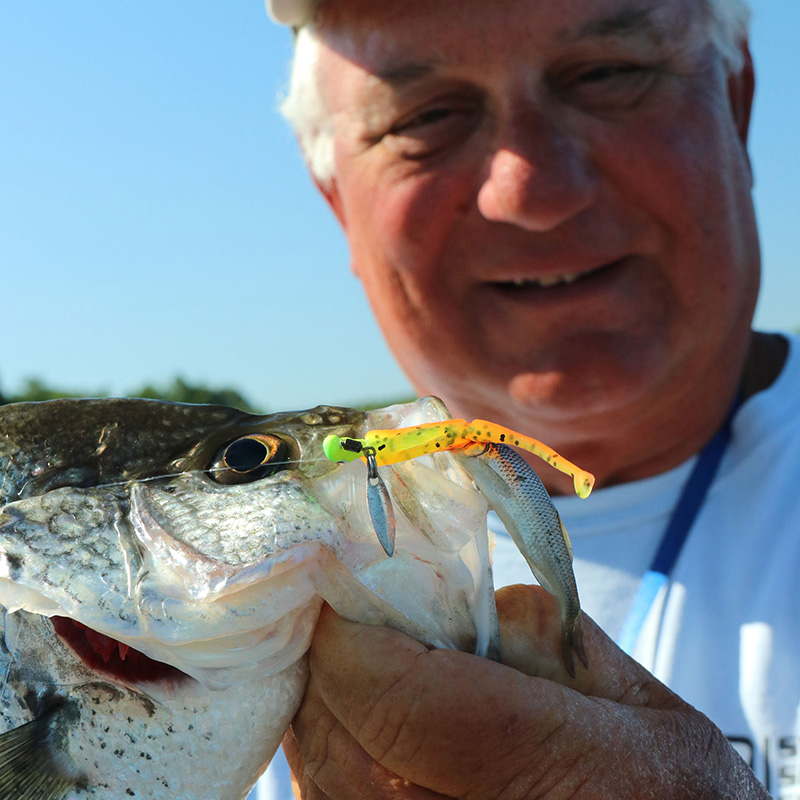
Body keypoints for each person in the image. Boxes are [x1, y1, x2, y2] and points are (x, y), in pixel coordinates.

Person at [251, 0, 800, 796]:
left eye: (608, 75)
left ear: (737, 104)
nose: (532, 189)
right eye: (429, 116)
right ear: (335, 197)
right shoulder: (190, 606)